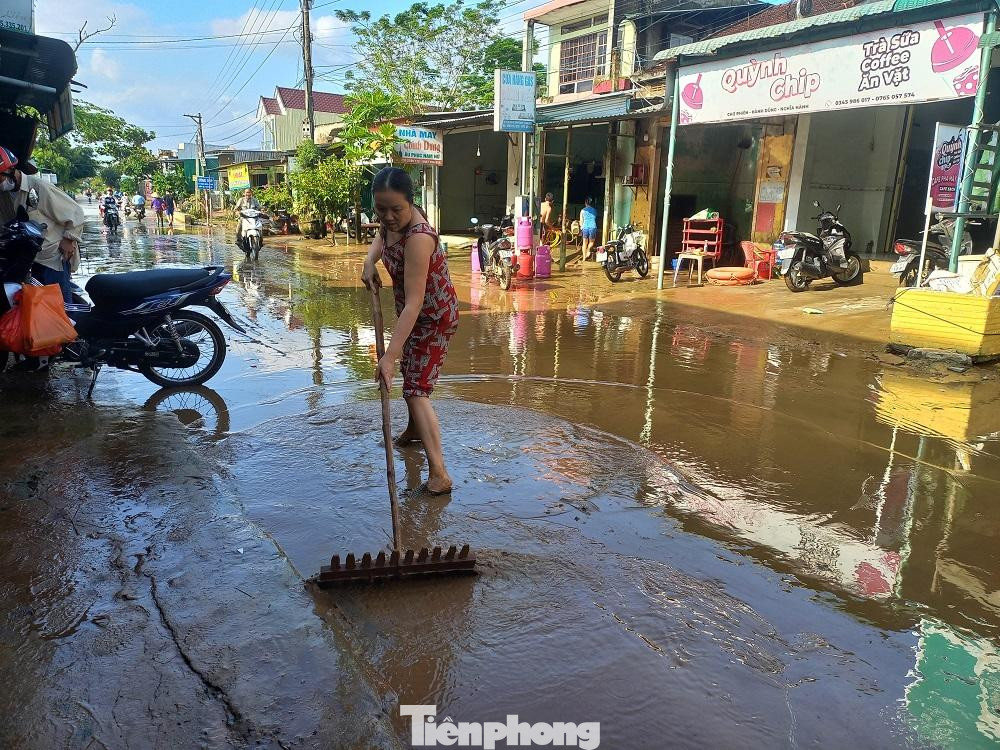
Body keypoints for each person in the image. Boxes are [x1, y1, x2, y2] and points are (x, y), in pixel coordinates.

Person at [361, 167, 458, 495]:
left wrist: (389, 355)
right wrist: (368, 262)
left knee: (416, 388)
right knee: (412, 380)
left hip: (433, 317)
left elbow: (415, 303)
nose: (388, 217)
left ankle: (440, 474)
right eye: (380, 210)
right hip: (411, 316)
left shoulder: (418, 238)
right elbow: (380, 238)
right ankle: (414, 433)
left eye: (395, 209)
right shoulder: (392, 223)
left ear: (411, 204)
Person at [0, 145, 84, 303]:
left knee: (58, 308)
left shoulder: (39, 186)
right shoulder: (3, 196)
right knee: (31, 308)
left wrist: (69, 239)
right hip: (22, 261)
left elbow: (75, 212)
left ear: (10, 171)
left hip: (50, 258)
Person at [579, 197, 599, 263]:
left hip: (585, 227)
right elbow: (595, 217)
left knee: (584, 243)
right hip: (592, 227)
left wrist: (581, 228)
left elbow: (581, 221)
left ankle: (584, 257)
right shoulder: (594, 210)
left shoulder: (582, 210)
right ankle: (588, 251)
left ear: (585, 203)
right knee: (591, 242)